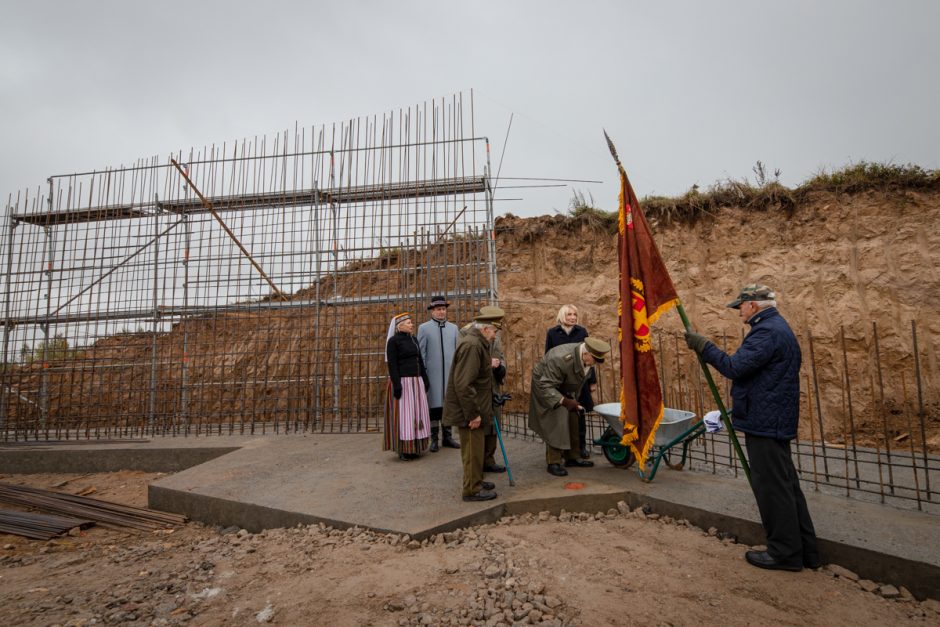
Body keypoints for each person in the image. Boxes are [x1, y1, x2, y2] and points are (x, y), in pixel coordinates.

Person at [684, 284, 820, 572]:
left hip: (766, 423)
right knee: (786, 487)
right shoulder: (777, 328)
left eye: (740, 307)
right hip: (772, 419)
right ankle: (805, 550)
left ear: (753, 306)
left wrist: (704, 347)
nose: (738, 312)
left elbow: (735, 368)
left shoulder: (767, 332)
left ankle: (784, 553)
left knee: (773, 490)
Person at [443, 306, 505, 502]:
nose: (495, 336)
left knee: (476, 450)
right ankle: (472, 489)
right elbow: (464, 384)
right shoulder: (473, 346)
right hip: (469, 411)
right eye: (494, 331)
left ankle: (476, 479)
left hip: (476, 406)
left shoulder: (478, 343)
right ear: (485, 329)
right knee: (472, 450)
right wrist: (473, 414)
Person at [528, 336, 610, 477]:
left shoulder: (587, 359)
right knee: (557, 417)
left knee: (573, 414)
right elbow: (545, 385)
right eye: (594, 360)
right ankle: (553, 462)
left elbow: (576, 380)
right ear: (585, 354)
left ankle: (572, 457)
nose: (595, 364)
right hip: (545, 384)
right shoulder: (560, 359)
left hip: (562, 385)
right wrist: (564, 401)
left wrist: (572, 401)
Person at [544, 304, 597, 458]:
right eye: (569, 315)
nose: (573, 317)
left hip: (580, 380)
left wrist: (592, 381)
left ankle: (580, 447)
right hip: (561, 381)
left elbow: (590, 356)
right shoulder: (553, 333)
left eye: (575, 314)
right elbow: (548, 356)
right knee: (562, 415)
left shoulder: (582, 332)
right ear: (562, 316)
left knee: (579, 414)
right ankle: (562, 450)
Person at [384, 312, 431, 460]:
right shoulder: (393, 341)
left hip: (416, 382)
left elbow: (420, 361)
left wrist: (425, 378)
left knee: (417, 414)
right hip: (403, 383)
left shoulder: (414, 339)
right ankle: (404, 450)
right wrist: (397, 385)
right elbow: (392, 364)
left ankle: (416, 447)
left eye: (411, 322)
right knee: (406, 415)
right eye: (409, 322)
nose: (412, 325)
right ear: (400, 326)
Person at [417, 295, 461, 452]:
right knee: (434, 407)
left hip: (450, 375)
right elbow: (421, 353)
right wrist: (423, 374)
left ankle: (448, 437)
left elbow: (458, 352)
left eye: (443, 309)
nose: (441, 312)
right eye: (438, 309)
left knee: (448, 406)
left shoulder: (454, 328)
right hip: (432, 376)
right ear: (432, 311)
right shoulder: (424, 328)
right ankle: (434, 438)